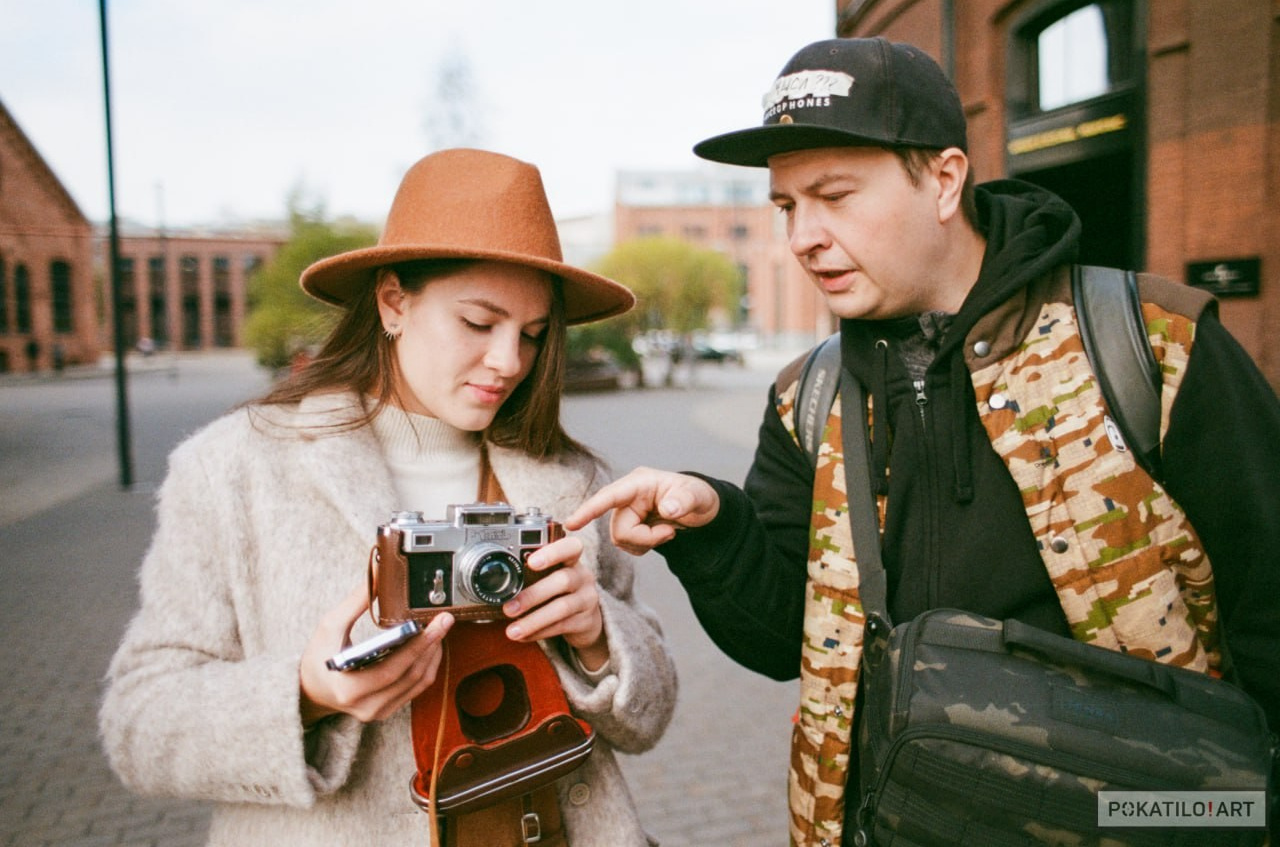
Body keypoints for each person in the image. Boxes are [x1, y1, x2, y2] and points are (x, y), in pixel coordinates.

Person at [567, 38, 1280, 846]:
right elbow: (782, 639)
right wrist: (715, 529)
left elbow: (1268, 609)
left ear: (943, 180)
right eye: (788, 206)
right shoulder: (808, 396)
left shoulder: (1152, 344)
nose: (803, 236)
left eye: (834, 195)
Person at [100, 148, 677, 846]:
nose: (509, 362)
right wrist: (306, 694)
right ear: (393, 302)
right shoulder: (235, 469)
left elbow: (649, 715)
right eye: (479, 323)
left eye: (532, 334)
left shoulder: (569, 480)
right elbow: (138, 723)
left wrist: (597, 636)